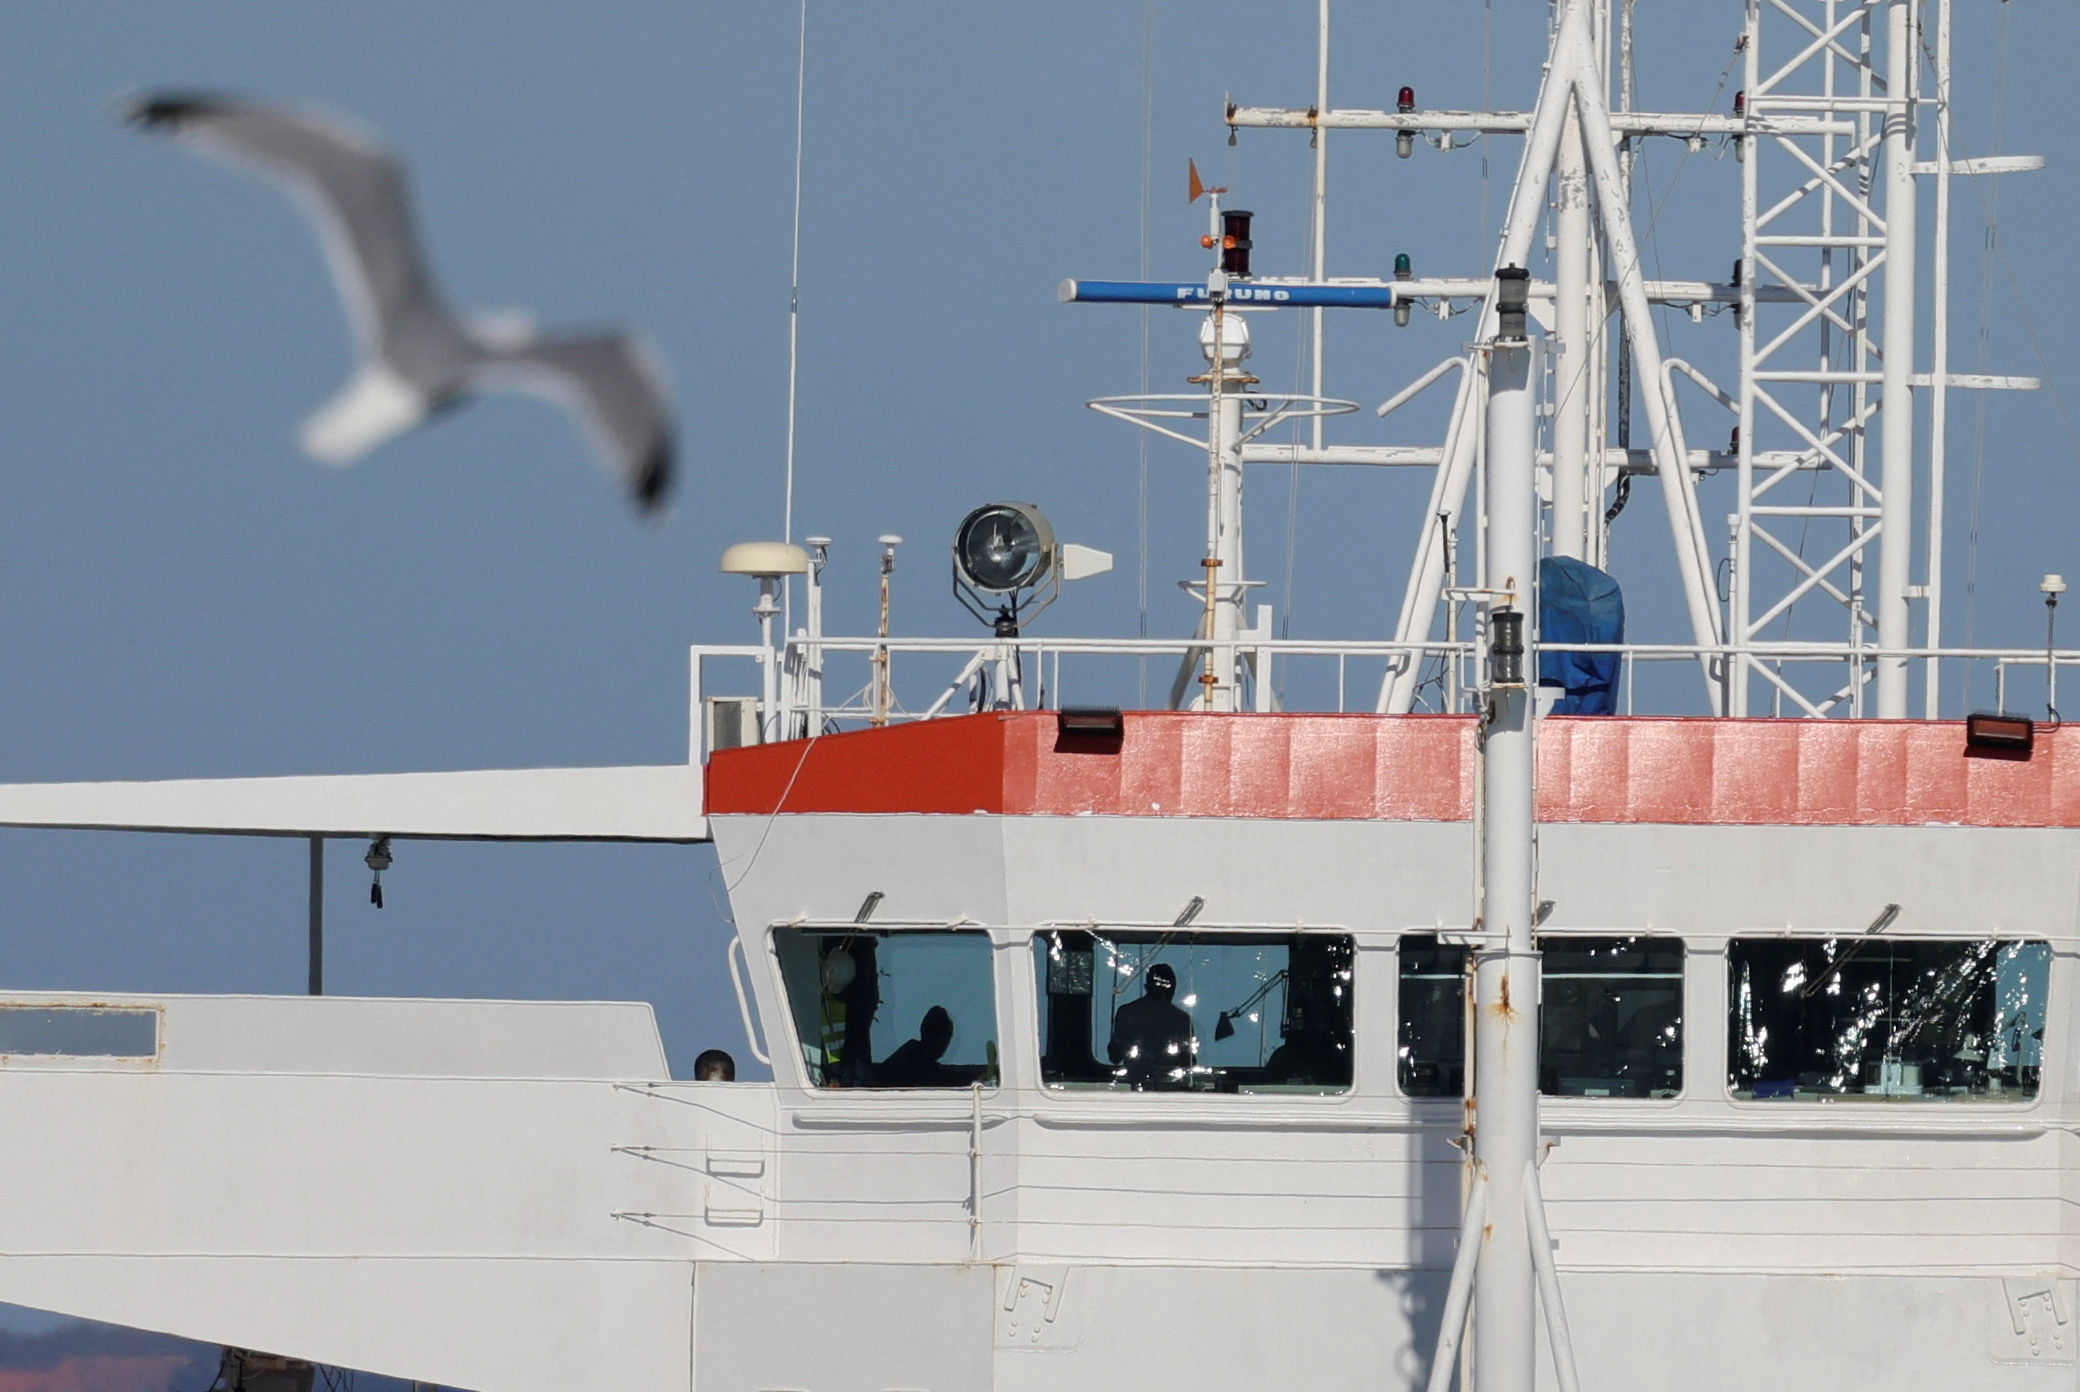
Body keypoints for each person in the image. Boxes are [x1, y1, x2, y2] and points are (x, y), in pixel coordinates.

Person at [1108, 962, 1195, 1089]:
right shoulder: (1181, 1018)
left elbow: (1115, 1056)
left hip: (1134, 1086)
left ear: (1146, 986)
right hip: (1170, 1088)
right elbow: (1187, 1061)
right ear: (1173, 990)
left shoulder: (1126, 1012)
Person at [877, 1005, 957, 1087]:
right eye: (944, 1036)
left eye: (949, 1037)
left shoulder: (925, 1064)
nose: (946, 1042)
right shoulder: (911, 1060)